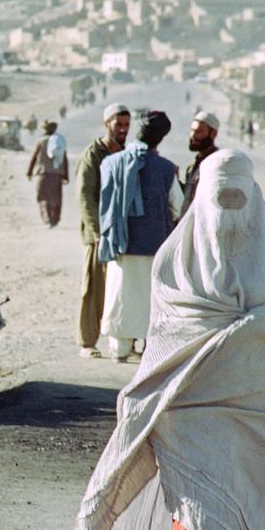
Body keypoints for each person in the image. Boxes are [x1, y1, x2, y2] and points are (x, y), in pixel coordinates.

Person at [68, 149, 265, 530]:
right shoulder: (174, 261)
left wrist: (255, 335)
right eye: (220, 198)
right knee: (200, 518)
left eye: (238, 198)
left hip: (260, 428)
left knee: (253, 524)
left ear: (256, 195)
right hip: (188, 418)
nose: (229, 211)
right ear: (201, 195)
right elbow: (167, 341)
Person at [96, 110, 183, 362]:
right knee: (150, 299)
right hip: (155, 245)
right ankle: (149, 348)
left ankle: (120, 348)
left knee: (121, 295)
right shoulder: (166, 169)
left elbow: (104, 203)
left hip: (120, 244)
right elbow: (176, 206)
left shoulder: (111, 163)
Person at [74, 104, 130, 359]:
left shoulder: (126, 153)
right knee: (94, 288)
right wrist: (96, 231)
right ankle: (87, 342)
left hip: (121, 233)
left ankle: (122, 342)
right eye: (118, 125)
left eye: (126, 126)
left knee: (121, 288)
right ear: (107, 124)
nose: (122, 130)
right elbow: (85, 196)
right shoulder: (93, 154)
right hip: (99, 234)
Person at [26, 121, 69, 228]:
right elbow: (64, 159)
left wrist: (29, 172)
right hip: (57, 175)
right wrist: (66, 176)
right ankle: (55, 219)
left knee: (43, 197)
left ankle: (47, 219)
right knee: (56, 197)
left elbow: (34, 157)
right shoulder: (59, 142)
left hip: (43, 174)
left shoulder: (40, 141)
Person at [179, 110, 219, 218]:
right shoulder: (191, 167)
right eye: (192, 130)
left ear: (213, 134)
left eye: (199, 131)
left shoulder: (217, 165)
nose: (193, 136)